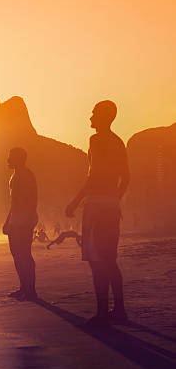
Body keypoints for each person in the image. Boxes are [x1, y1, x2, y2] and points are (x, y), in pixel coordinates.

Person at [66, 100, 130, 326]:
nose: (90, 117)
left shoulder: (96, 140)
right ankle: (119, 310)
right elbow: (126, 178)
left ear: (104, 117)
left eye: (94, 113)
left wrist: (74, 202)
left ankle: (103, 312)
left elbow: (92, 177)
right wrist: (114, 199)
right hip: (111, 206)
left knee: (96, 260)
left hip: (96, 207)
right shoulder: (118, 142)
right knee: (109, 259)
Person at [2, 148, 38, 301]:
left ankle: (31, 290)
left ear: (19, 159)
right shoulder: (15, 175)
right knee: (16, 254)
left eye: (10, 157)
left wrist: (29, 218)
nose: (8, 160)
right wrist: (8, 220)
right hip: (16, 218)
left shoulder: (27, 175)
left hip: (24, 219)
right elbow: (13, 202)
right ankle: (24, 287)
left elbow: (33, 198)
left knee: (24, 254)